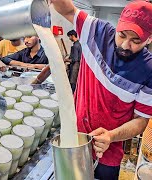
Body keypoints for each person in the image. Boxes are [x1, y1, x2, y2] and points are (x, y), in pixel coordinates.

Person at [51, 0, 152, 179]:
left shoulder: (148, 70)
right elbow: (66, 9)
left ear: (149, 39)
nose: (125, 45)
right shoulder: (97, 32)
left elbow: (141, 121)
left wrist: (111, 136)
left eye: (135, 41)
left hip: (108, 151)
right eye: (122, 35)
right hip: (74, 136)